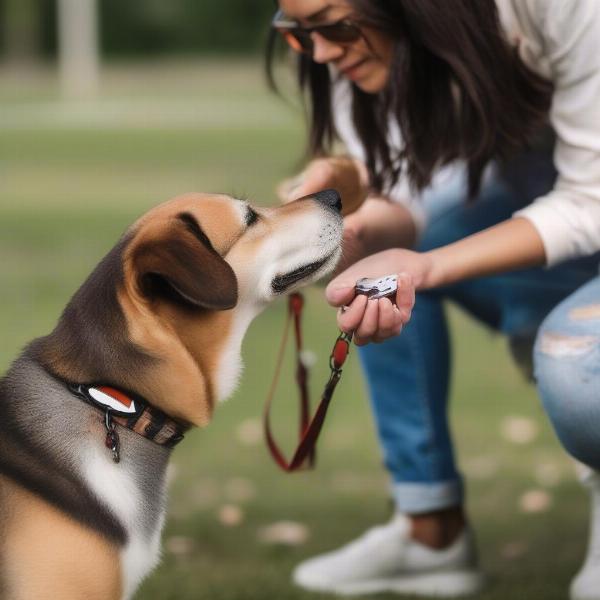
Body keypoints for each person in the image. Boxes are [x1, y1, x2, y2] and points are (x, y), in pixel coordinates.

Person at [267, 1, 600, 598]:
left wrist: (426, 265)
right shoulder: (359, 58)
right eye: (297, 33)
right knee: (382, 273)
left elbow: (590, 202)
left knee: (580, 372)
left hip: (584, 202)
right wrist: (342, 232)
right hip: (549, 199)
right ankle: (430, 531)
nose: (320, 52)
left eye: (336, 25)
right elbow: (406, 203)